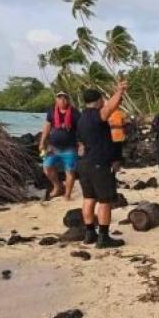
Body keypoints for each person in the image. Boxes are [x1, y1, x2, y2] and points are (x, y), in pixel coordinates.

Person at [76, 83, 129, 249]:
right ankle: (104, 237)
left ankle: (90, 233)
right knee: (105, 201)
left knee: (88, 199)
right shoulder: (95, 115)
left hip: (84, 163)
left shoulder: (81, 118)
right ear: (98, 101)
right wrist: (119, 91)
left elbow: (81, 144)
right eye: (102, 100)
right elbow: (111, 107)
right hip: (98, 163)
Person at [38, 92, 81, 200]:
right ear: (56, 100)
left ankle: (67, 195)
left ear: (68, 100)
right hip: (53, 147)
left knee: (70, 171)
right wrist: (42, 142)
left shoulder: (75, 113)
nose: (62, 100)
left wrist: (81, 144)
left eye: (65, 98)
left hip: (70, 148)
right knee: (47, 167)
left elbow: (81, 130)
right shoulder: (51, 112)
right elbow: (47, 127)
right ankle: (57, 186)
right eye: (60, 98)